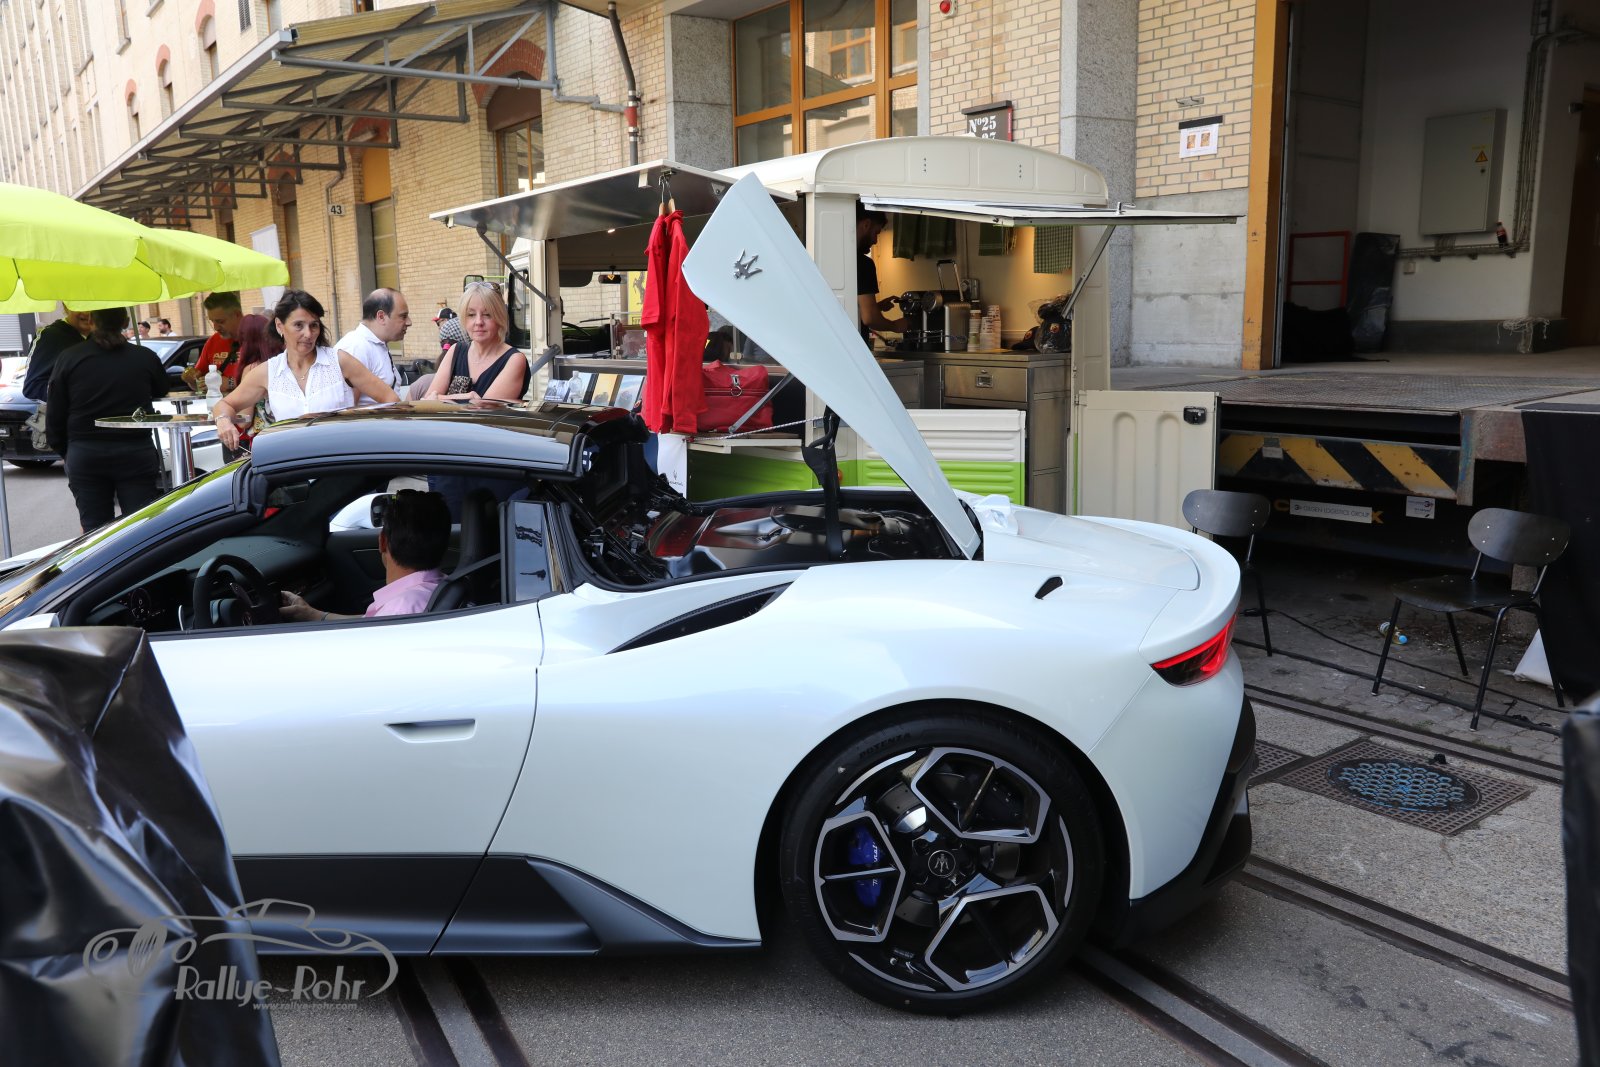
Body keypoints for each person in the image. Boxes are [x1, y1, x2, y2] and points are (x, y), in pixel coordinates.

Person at [208, 289, 398, 451]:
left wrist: (364, 431)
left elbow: (391, 399)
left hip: (340, 465)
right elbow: (224, 405)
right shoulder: (268, 372)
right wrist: (223, 421)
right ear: (280, 326)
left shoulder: (339, 361)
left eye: (313, 325)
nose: (308, 334)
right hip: (294, 468)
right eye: (299, 325)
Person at [44, 306, 169, 532]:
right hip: (135, 451)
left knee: (95, 534)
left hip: (85, 452)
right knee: (141, 529)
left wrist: (66, 450)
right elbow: (161, 388)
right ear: (125, 322)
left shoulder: (69, 357)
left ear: (91, 320)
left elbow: (55, 413)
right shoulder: (144, 357)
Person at [279, 489, 450, 621]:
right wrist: (316, 615)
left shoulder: (399, 610)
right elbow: (368, 622)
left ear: (382, 541)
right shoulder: (442, 585)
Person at [423, 282, 527, 402]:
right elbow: (427, 401)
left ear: (500, 317)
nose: (478, 322)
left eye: (487, 314)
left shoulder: (514, 359)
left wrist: (439, 399)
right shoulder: (456, 350)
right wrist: (467, 396)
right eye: (471, 314)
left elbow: (486, 408)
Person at [334, 288, 409, 406]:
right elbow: (348, 409)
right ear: (381, 317)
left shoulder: (374, 344)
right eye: (403, 316)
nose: (409, 322)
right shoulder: (356, 348)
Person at [20, 309, 93, 402]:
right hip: (66, 410)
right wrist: (76, 393)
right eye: (80, 306)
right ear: (65, 306)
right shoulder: (50, 336)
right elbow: (32, 388)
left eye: (93, 306)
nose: (87, 312)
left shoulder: (103, 336)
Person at [856, 206, 904, 343]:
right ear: (866, 224)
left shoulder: (829, 257)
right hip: (853, 346)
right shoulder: (863, 264)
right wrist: (896, 326)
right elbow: (869, 318)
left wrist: (876, 307)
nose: (875, 240)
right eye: (876, 233)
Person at [186, 291, 244, 390]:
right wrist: (192, 380)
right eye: (212, 321)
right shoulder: (213, 341)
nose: (215, 327)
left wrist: (230, 383)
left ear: (237, 315)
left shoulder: (258, 338)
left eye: (220, 321)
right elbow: (199, 385)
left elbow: (268, 380)